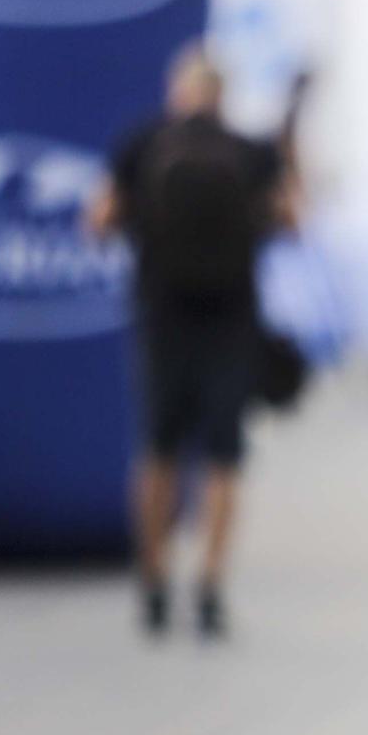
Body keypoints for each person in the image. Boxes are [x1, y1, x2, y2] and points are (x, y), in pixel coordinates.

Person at [87, 42, 294, 639]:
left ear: (177, 90)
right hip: (231, 322)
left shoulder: (142, 142)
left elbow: (99, 220)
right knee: (225, 459)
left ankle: (153, 581)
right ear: (223, 94)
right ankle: (210, 584)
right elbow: (293, 219)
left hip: (162, 318)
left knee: (157, 453)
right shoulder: (251, 151)